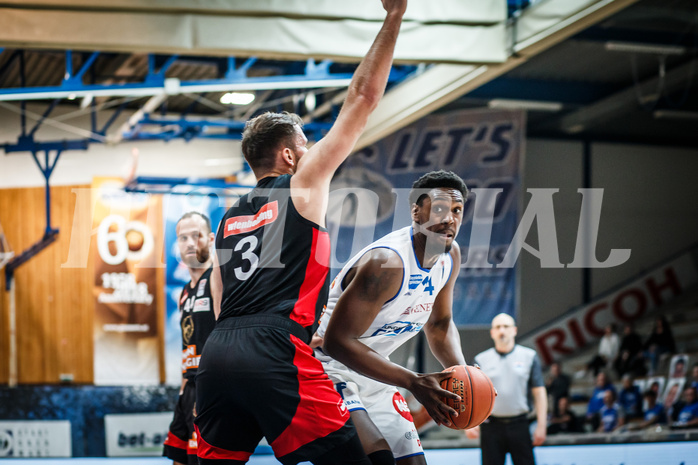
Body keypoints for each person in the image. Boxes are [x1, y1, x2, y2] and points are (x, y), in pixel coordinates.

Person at [194, 2, 408, 464]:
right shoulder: (303, 185)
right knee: (365, 458)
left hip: (217, 354)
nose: (312, 153)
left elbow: (218, 297)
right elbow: (362, 99)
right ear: (291, 157)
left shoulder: (228, 218)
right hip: (274, 349)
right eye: (305, 147)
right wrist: (393, 17)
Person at [313, 170, 468, 464]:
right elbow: (336, 343)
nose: (450, 219)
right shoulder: (387, 263)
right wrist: (413, 381)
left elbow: (439, 325)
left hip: (376, 374)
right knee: (378, 458)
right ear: (416, 211)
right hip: (328, 368)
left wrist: (464, 377)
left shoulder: (450, 256)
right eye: (439, 209)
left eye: (457, 210)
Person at [163, 212, 216, 465]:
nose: (190, 243)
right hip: (189, 389)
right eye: (183, 237)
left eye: (196, 236)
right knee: (179, 458)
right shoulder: (184, 292)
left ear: (211, 239)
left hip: (211, 387)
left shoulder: (220, 280)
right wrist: (184, 387)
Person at [468, 313, 547, 465]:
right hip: (491, 427)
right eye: (497, 327)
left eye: (506, 326)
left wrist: (541, 426)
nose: (502, 331)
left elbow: (539, 392)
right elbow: (472, 393)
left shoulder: (529, 356)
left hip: (521, 425)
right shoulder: (481, 359)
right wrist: (471, 423)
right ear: (492, 332)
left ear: (514, 330)